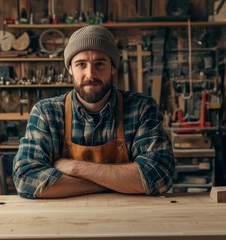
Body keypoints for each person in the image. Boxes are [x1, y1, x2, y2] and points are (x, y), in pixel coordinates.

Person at [13, 25, 174, 199]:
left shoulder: (141, 108)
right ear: (70, 69)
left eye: (99, 64)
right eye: (81, 64)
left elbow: (159, 176)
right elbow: (26, 178)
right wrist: (118, 182)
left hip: (129, 218)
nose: (90, 74)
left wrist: (75, 168)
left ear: (113, 67)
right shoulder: (47, 113)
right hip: (63, 221)